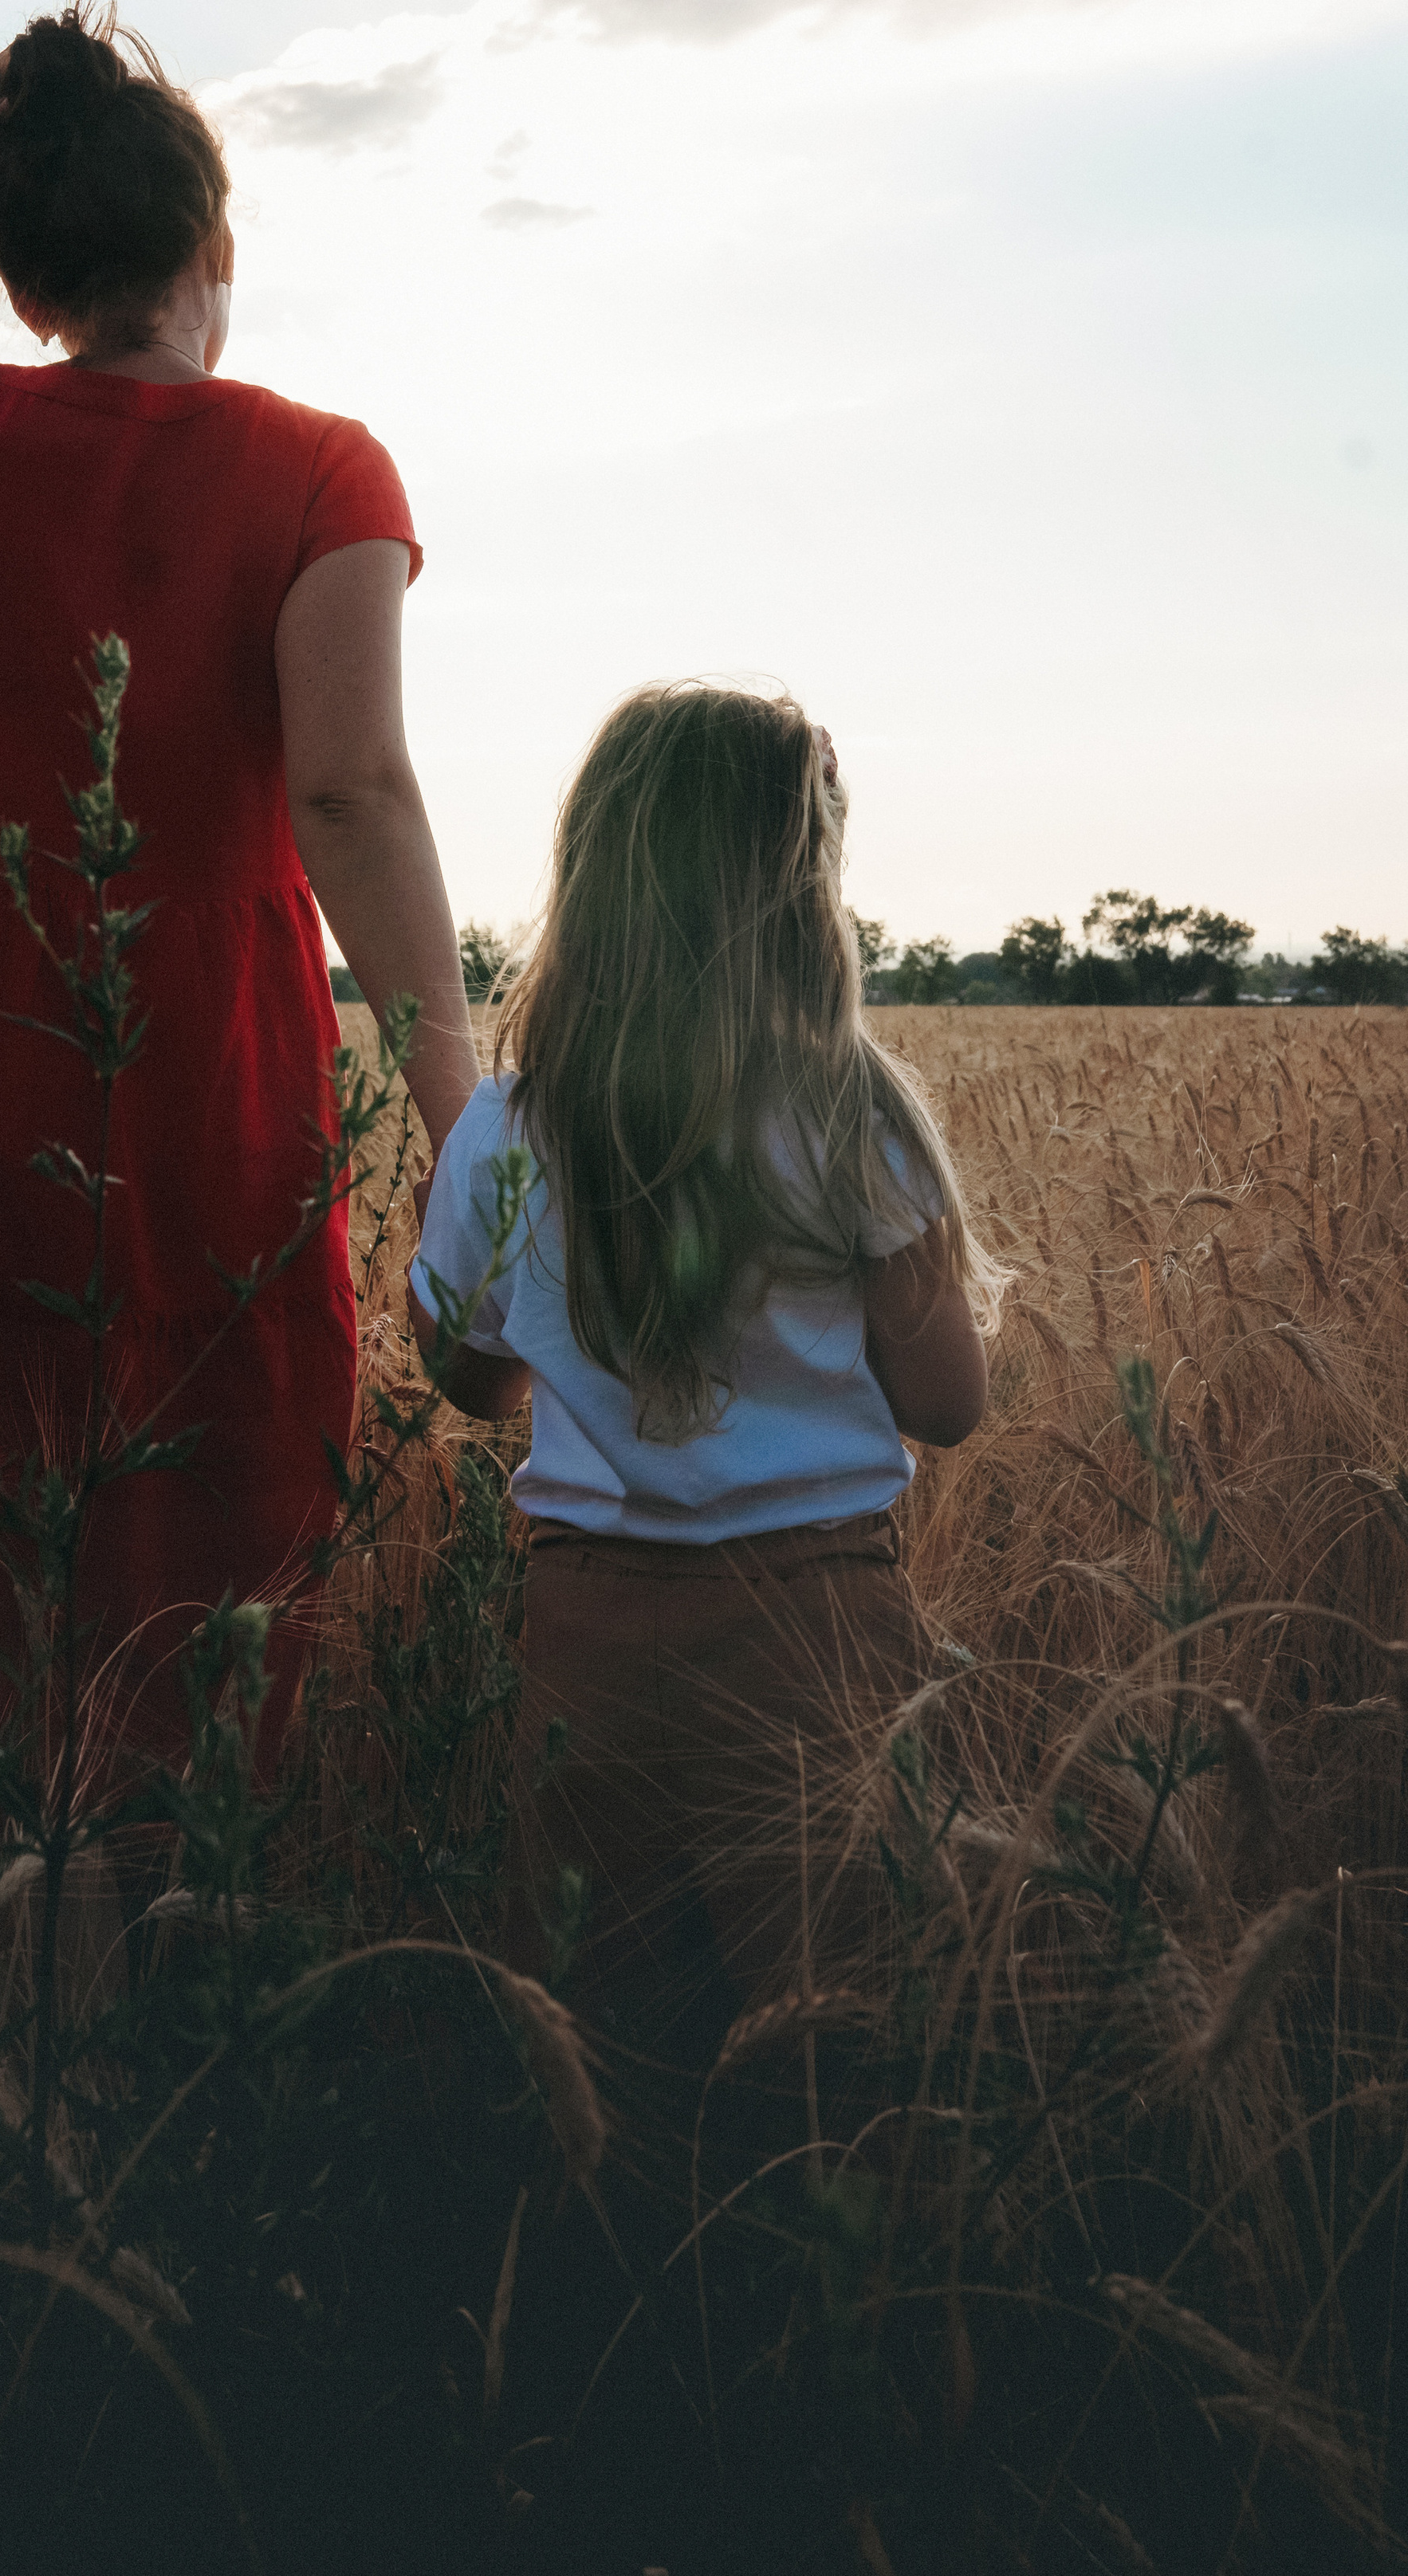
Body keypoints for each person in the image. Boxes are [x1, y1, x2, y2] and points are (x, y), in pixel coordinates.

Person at [0, 0, 478, 1765]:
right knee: (205, 1411)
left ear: (15, 286)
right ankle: (172, 1836)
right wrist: (456, 1099)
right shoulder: (321, 466)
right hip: (190, 1027)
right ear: (215, 244)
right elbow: (349, 787)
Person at [407, 684, 1000, 2040]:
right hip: (815, 1623)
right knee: (839, 2023)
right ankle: (830, 2249)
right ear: (804, 890)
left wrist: (526, 1338)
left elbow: (471, 1377)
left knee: (592, 2024)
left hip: (588, 1633)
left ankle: (592, 2250)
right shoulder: (851, 1108)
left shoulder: (507, 1127)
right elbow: (948, 1407)